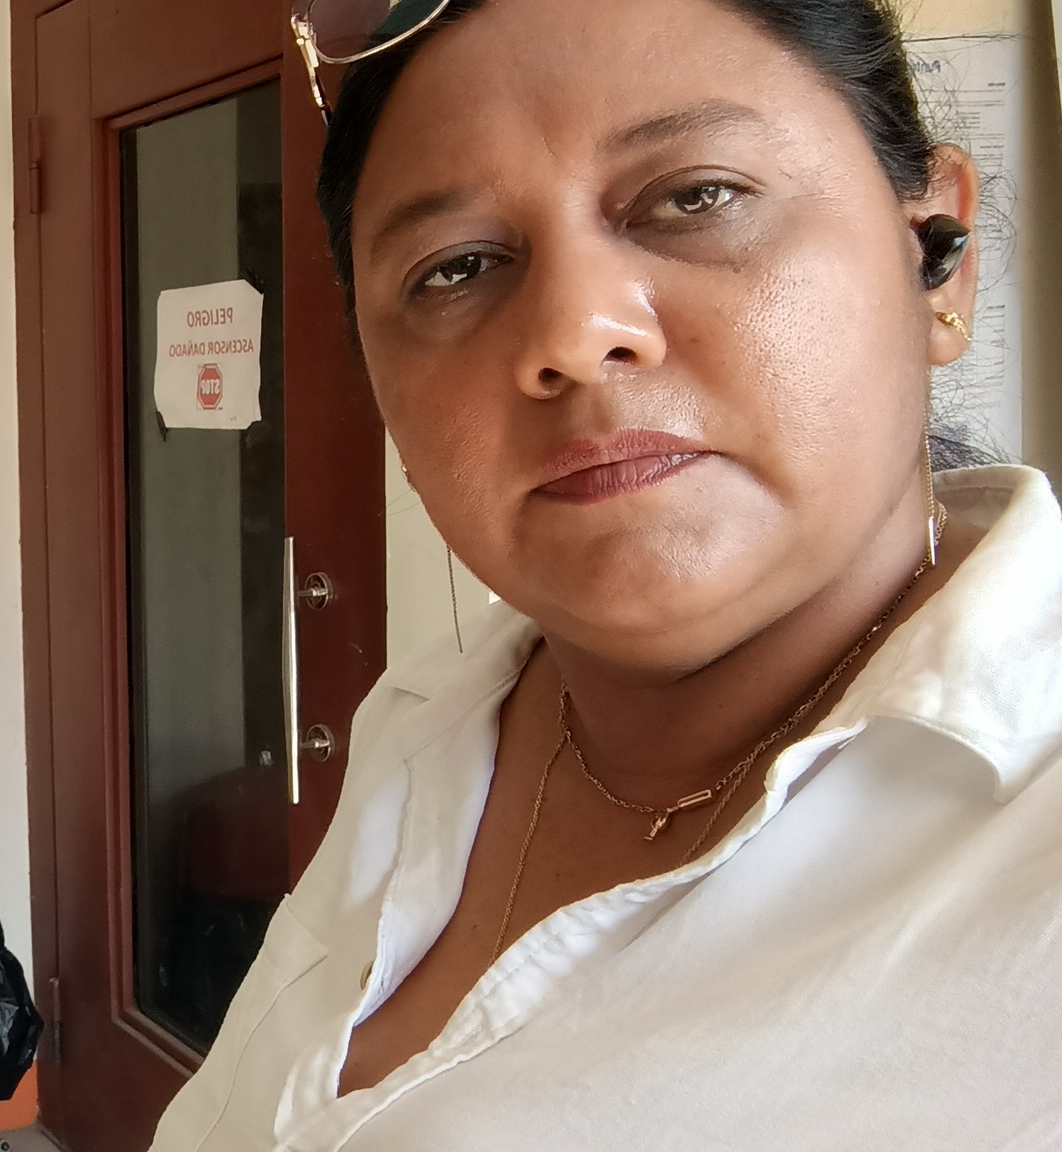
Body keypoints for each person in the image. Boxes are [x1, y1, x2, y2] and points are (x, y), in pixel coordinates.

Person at [154, 0, 1062, 1147]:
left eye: (694, 198)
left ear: (937, 256)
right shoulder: (427, 723)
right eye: (455, 267)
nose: (572, 334)